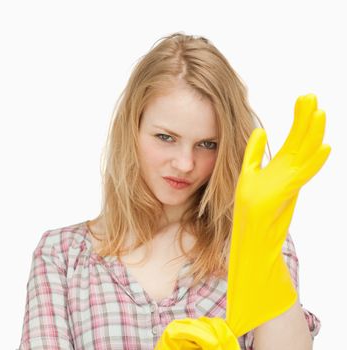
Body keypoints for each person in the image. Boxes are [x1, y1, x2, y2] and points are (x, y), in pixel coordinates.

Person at [17, 32, 322, 350]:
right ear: (132, 127)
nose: (185, 163)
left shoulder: (259, 246)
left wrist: (263, 253)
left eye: (207, 144)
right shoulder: (63, 258)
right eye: (165, 137)